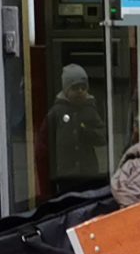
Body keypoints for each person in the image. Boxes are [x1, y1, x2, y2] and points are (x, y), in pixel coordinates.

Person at [34, 64, 106, 197]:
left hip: (88, 173)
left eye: (83, 88)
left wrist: (87, 133)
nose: (80, 91)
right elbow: (43, 145)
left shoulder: (90, 110)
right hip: (65, 175)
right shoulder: (56, 113)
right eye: (75, 88)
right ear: (66, 90)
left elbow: (102, 137)